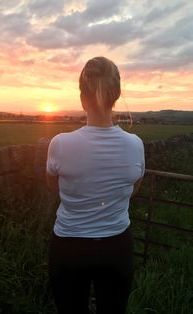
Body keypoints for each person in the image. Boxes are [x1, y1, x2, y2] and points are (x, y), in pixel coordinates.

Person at [46, 56, 145, 314]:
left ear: (82, 97)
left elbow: (53, 188)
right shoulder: (135, 145)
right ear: (117, 95)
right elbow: (133, 190)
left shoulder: (60, 144)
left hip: (68, 247)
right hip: (116, 247)